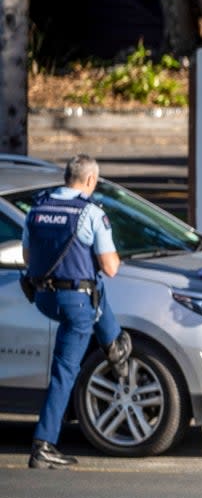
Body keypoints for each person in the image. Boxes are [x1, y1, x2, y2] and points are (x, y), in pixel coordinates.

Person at [22, 154, 131, 469]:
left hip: (45, 298)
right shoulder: (91, 213)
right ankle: (44, 444)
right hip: (77, 304)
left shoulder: (37, 209)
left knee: (94, 293)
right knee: (64, 372)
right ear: (90, 181)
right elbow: (111, 268)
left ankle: (113, 343)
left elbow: (30, 257)